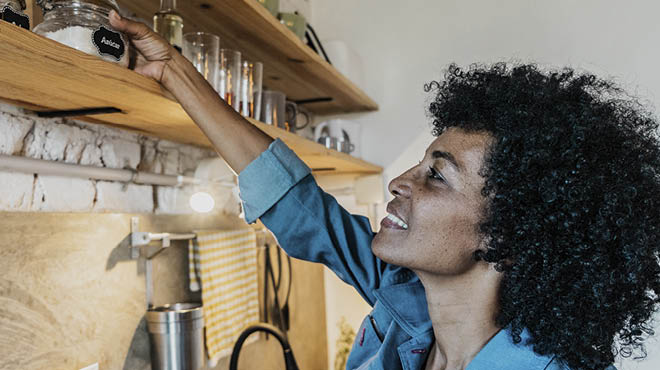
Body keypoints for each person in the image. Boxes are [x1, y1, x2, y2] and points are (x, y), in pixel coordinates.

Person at [109, 11, 660, 370]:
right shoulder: (405, 298)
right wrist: (173, 70)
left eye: (436, 175)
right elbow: (301, 207)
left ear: (511, 234)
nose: (399, 182)